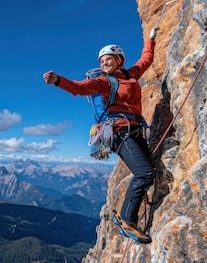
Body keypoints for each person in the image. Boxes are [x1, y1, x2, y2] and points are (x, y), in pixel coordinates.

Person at [42, 27, 158, 243]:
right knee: (144, 173)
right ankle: (127, 222)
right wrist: (58, 80)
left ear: (119, 59)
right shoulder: (104, 82)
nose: (103, 64)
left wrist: (151, 38)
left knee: (150, 170)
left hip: (134, 131)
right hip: (120, 134)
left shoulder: (131, 75)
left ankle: (126, 214)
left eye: (107, 60)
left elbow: (146, 59)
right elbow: (79, 88)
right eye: (101, 61)